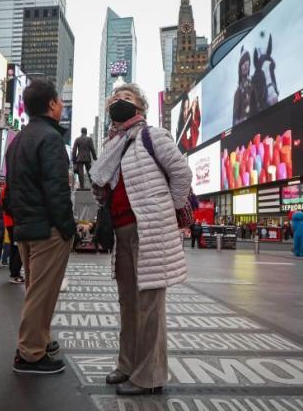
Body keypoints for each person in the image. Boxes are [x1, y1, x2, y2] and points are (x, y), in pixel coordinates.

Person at [90, 83, 192, 396]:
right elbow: (101, 183)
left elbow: (182, 174)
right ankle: (127, 365)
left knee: (150, 306)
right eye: (115, 98)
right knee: (129, 304)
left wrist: (168, 208)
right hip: (122, 232)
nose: (119, 101)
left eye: (127, 98)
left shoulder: (151, 135)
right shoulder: (111, 145)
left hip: (149, 230)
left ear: (140, 108)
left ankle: (149, 377)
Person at [5, 79, 76, 374]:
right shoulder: (50, 139)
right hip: (48, 229)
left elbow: (11, 189)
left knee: (37, 289)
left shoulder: (18, 140)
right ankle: (30, 354)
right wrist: (68, 227)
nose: (62, 105)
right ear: (50, 104)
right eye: (59, 100)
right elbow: (56, 188)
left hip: (25, 228)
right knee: (41, 293)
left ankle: (40, 339)